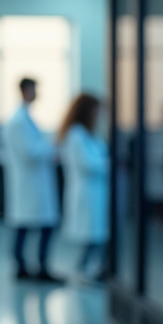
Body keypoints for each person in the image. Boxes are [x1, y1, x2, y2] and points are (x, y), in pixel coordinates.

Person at [3, 77, 62, 282]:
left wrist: (49, 148)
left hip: (33, 184)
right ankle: (27, 266)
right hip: (29, 185)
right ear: (27, 90)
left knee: (30, 225)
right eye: (35, 89)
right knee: (30, 226)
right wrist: (52, 147)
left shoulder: (25, 118)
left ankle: (34, 266)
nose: (37, 93)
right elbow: (29, 152)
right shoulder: (18, 121)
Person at [60, 94, 110, 281]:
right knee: (92, 237)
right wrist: (109, 163)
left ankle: (90, 270)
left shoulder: (90, 135)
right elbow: (87, 164)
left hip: (95, 194)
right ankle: (83, 271)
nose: (99, 115)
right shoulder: (76, 135)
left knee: (97, 236)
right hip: (86, 194)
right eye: (96, 110)